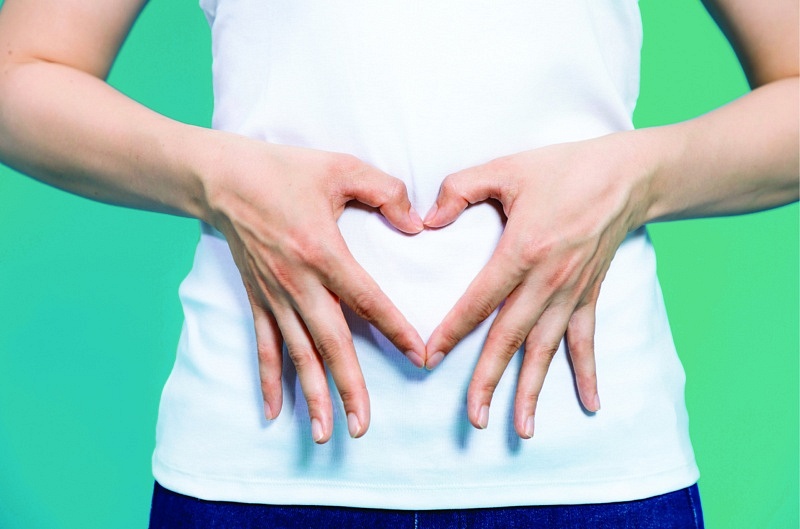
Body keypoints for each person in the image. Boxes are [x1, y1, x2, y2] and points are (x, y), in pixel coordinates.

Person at [0, 0, 796, 527]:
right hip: (261, 468)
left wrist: (638, 176)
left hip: (590, 472)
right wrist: (217, 179)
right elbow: (19, 73)